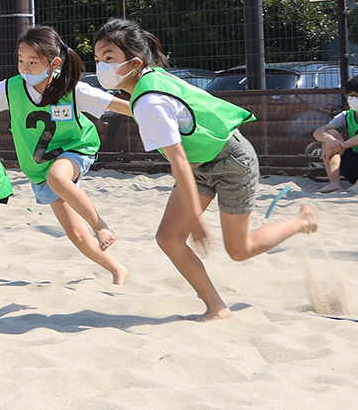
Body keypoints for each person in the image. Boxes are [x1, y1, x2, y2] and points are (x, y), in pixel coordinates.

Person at [93, 17, 318, 320]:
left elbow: (178, 161)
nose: (101, 66)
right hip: (201, 164)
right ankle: (217, 307)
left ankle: (301, 220)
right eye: (97, 59)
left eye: (109, 58)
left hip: (231, 162)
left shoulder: (149, 100)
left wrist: (196, 219)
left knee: (239, 249)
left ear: (134, 63)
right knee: (169, 238)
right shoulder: (148, 79)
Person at [0, 25, 130, 285]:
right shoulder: (13, 88)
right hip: (38, 166)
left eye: (32, 61)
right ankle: (117, 269)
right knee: (75, 233)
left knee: (58, 177)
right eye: (21, 60)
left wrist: (159, 111)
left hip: (77, 148)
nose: (25, 67)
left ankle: (100, 225)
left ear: (54, 63)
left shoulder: (73, 89)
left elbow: (121, 106)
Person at [311, 75, 358, 194]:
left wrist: (342, 145)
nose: (353, 99)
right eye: (351, 95)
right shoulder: (347, 115)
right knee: (330, 133)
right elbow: (318, 132)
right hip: (353, 165)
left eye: (357, 95)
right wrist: (330, 140)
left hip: (346, 148)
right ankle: (334, 183)